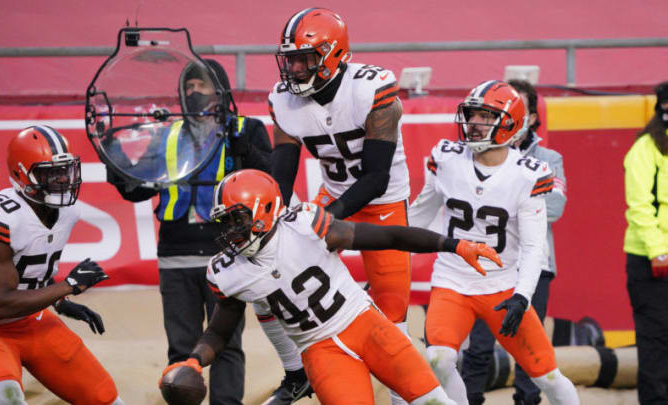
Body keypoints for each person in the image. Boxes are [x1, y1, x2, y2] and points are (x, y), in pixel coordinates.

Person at [159, 169, 504, 405]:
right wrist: (193, 361)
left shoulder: (306, 224)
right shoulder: (227, 271)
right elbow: (219, 332)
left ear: (265, 209)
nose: (231, 230)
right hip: (321, 352)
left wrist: (454, 244)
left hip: (366, 325)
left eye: (238, 219)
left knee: (432, 400)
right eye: (226, 221)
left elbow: (391, 235)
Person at [104, 59, 271, 405]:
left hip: (228, 255)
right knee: (181, 348)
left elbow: (272, 182)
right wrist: (113, 157)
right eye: (188, 87)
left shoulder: (247, 129)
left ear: (221, 90)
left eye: (201, 85)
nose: (193, 92)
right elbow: (136, 188)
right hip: (175, 255)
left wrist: (249, 153)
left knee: (226, 342)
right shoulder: (168, 136)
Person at [267, 8, 412, 404]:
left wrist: (328, 218)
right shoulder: (283, 101)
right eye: (290, 59)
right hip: (333, 193)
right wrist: (274, 222)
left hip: (382, 201)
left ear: (333, 55)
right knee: (275, 272)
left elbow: (375, 177)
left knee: (393, 315)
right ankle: (297, 372)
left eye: (304, 59)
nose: (294, 69)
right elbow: (281, 175)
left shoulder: (372, 88)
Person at [409, 80, 579, 405]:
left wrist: (521, 296)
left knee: (549, 377)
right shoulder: (446, 159)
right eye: (472, 115)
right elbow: (418, 216)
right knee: (438, 360)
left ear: (509, 123)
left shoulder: (528, 173)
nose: (473, 124)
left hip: (503, 285)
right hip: (453, 281)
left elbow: (533, 246)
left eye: (485, 116)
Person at [0, 126, 123, 405]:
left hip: (35, 322)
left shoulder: (68, 211)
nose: (62, 180)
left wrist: (60, 303)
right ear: (22, 174)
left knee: (108, 400)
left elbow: (33, 273)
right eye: (50, 173)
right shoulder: (0, 217)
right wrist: (67, 287)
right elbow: (1, 304)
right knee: (9, 401)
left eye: (65, 171)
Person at [459, 79, 568, 405]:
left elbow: (555, 207)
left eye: (517, 106)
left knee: (531, 352)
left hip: (536, 268)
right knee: (477, 349)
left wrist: (499, 204)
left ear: (532, 117)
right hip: (490, 265)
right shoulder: (475, 153)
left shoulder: (550, 158)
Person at [623, 80, 668, 404]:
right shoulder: (644, 150)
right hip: (652, 262)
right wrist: (659, 252)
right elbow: (639, 207)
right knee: (656, 343)